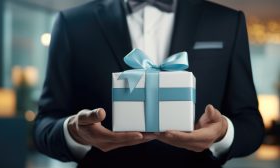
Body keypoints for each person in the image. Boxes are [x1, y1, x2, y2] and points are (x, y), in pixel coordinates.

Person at [33, 0, 265, 167]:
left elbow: (250, 124)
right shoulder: (72, 23)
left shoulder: (226, 21)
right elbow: (44, 125)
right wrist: (74, 133)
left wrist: (222, 132)